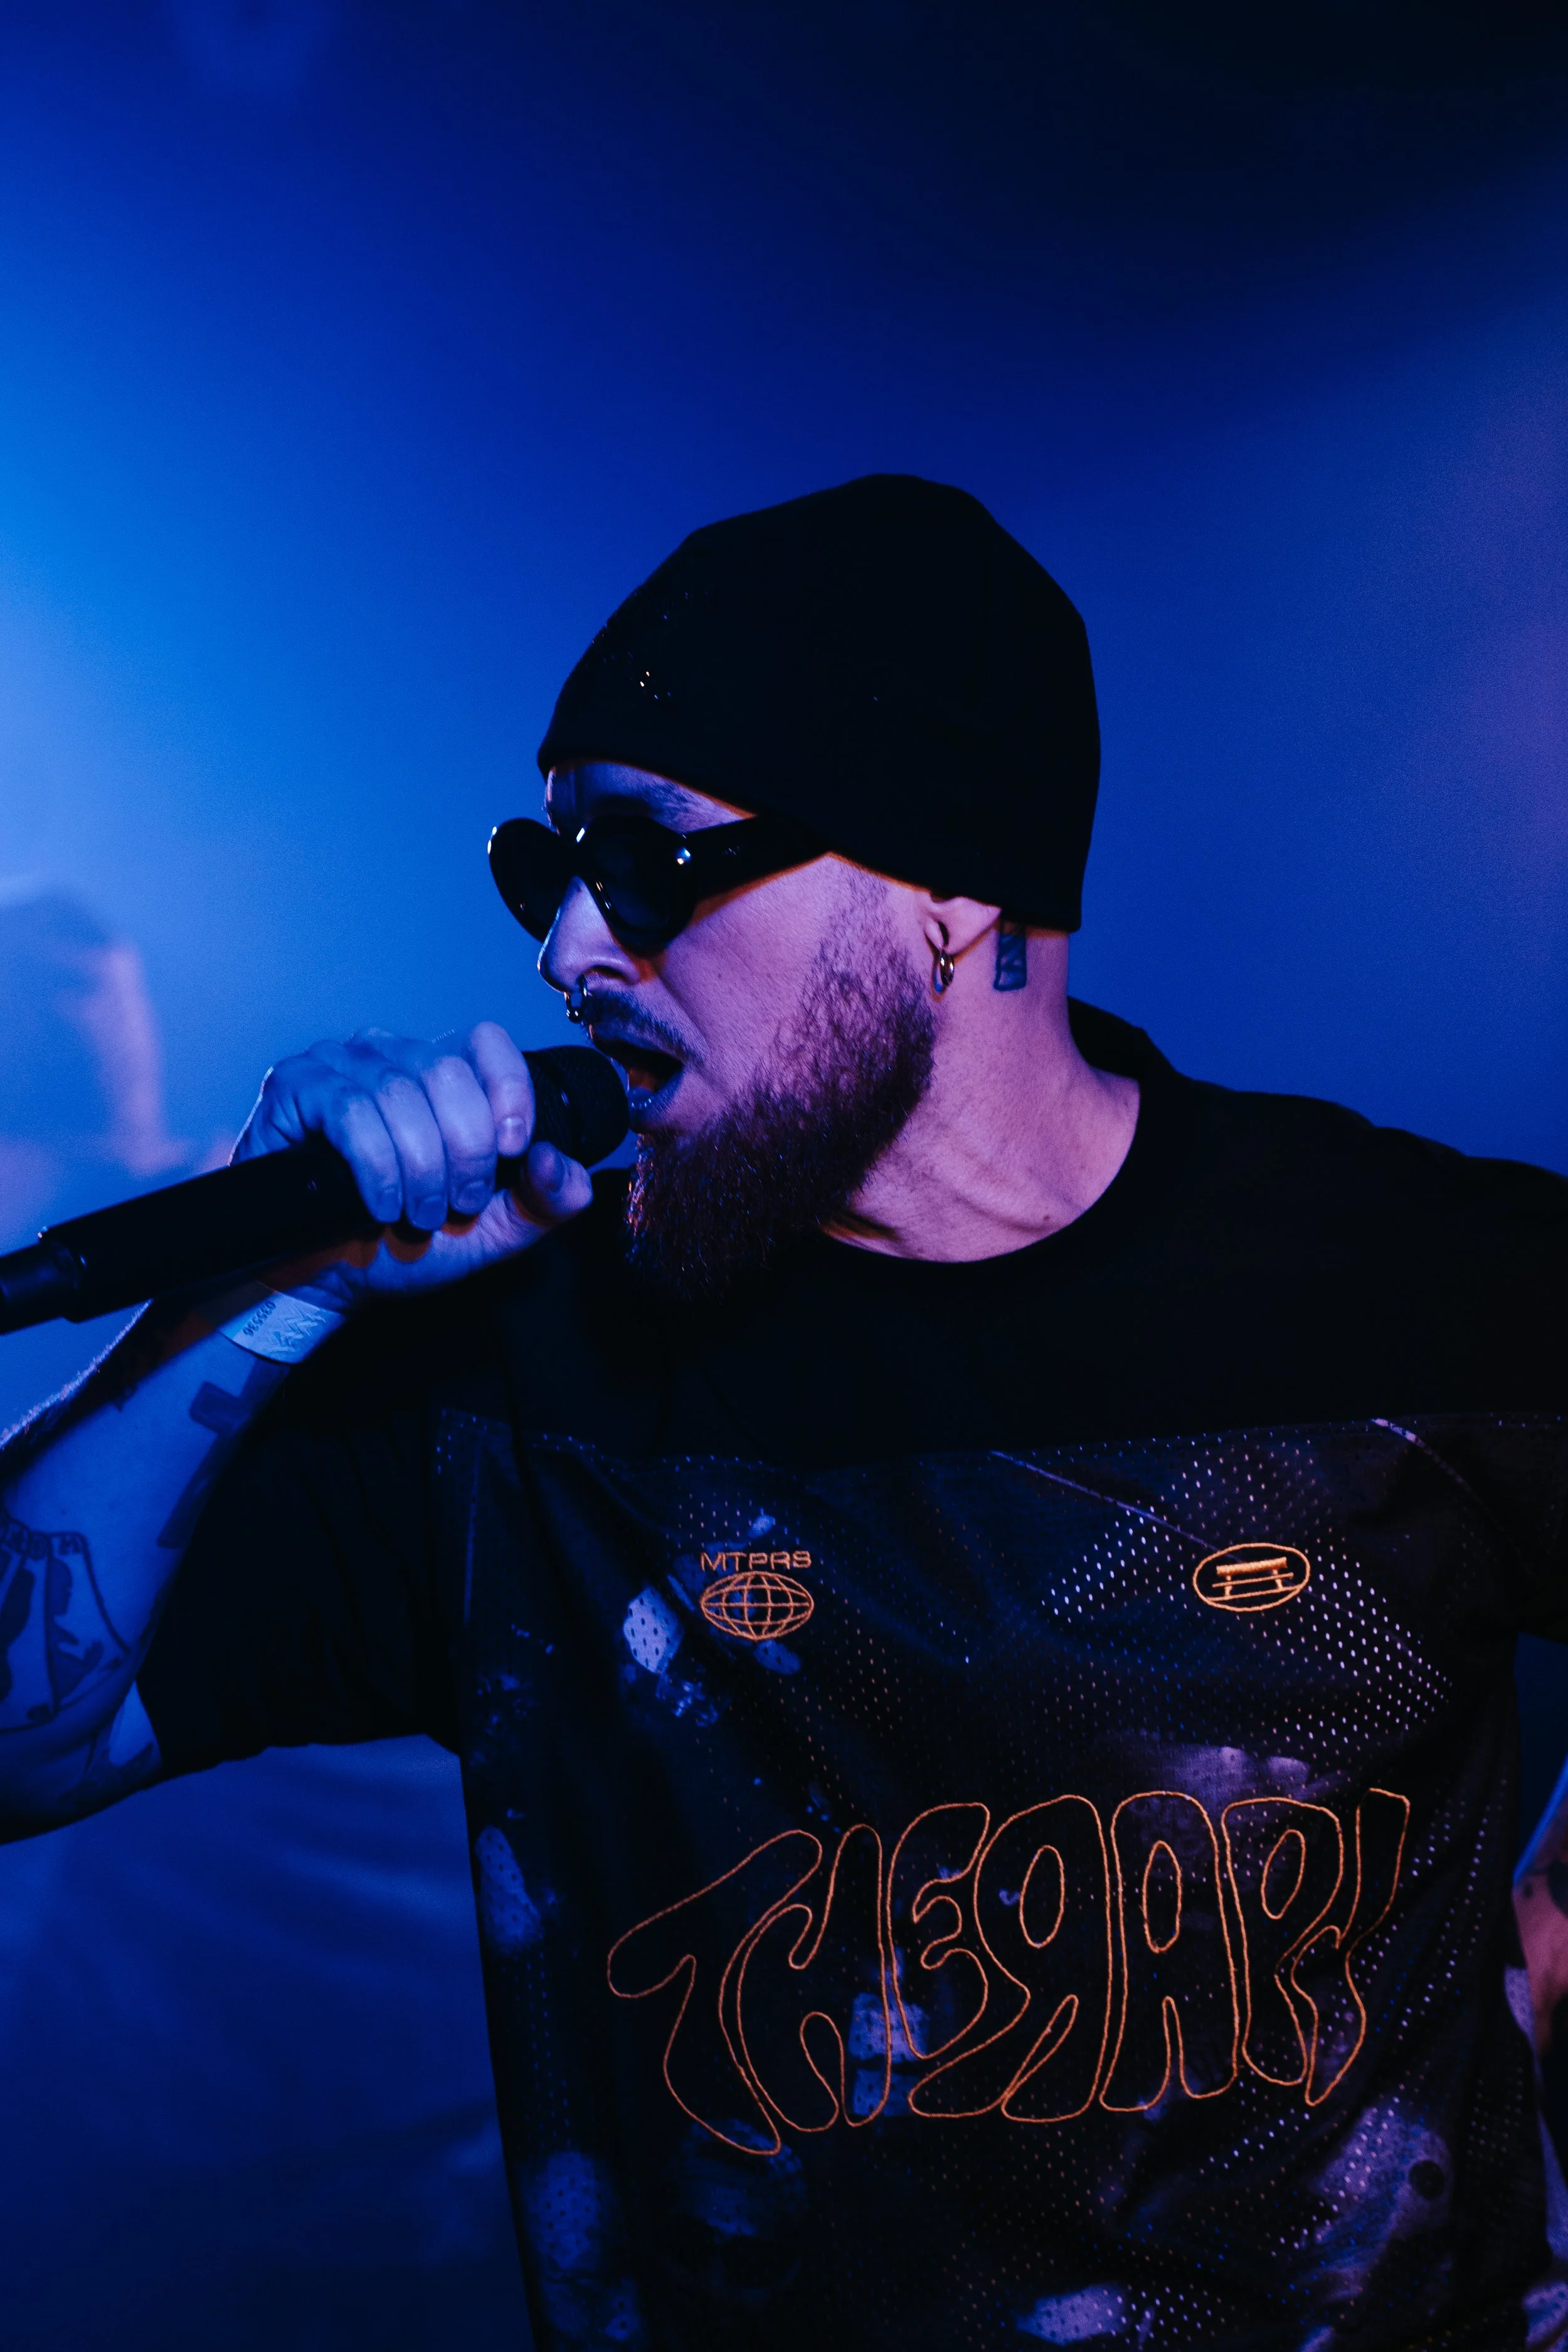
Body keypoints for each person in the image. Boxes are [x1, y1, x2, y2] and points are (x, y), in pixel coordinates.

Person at [1, 472, 1565, 2349]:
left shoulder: (1404, 1296)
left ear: (949, 880)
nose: (569, 950)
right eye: (541, 864)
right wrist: (263, 1292)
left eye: (651, 862)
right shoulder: (521, 1392)